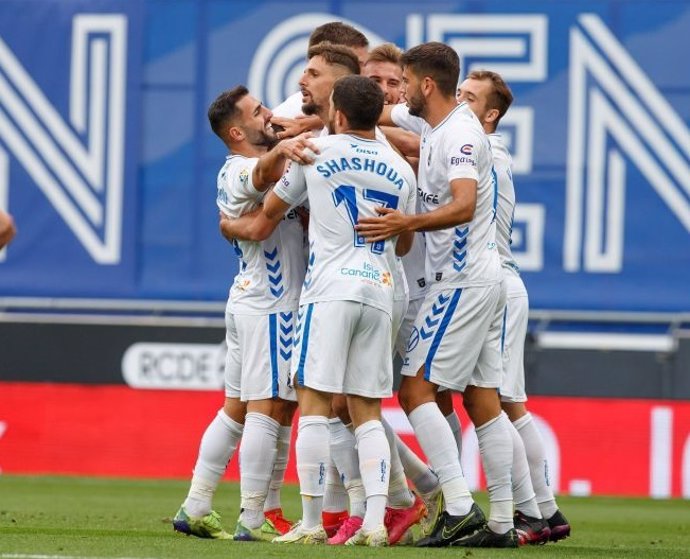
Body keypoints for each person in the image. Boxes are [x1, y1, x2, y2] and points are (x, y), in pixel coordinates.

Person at [222, 75, 417, 546]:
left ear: (340, 115)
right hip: (380, 289)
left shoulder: (315, 151)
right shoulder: (401, 168)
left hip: (329, 290)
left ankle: (310, 522)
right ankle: (373, 521)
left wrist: (230, 224)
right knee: (367, 410)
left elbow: (268, 214)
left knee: (312, 401)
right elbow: (405, 240)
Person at [358, 42, 517, 548]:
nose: (398, 91)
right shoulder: (437, 124)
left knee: (414, 391)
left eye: (404, 81)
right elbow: (381, 117)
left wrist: (409, 221)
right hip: (477, 279)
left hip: (463, 279)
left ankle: (461, 507)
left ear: (427, 84)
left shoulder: (462, 136)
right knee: (481, 397)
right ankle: (504, 522)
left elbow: (465, 204)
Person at [172, 85, 317, 541]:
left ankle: (196, 505)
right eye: (258, 112)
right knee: (267, 408)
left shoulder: (261, 160)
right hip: (271, 305)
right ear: (237, 131)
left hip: (250, 299)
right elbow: (261, 171)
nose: (269, 114)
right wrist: (286, 149)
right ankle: (252, 517)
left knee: (237, 408)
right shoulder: (237, 170)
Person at [457, 70, 570, 543]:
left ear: (491, 115)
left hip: (497, 286)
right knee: (502, 401)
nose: (460, 103)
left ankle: (529, 512)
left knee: (500, 402)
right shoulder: (481, 148)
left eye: (469, 98)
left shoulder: (484, 151)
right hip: (498, 285)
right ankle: (545, 511)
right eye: (458, 93)